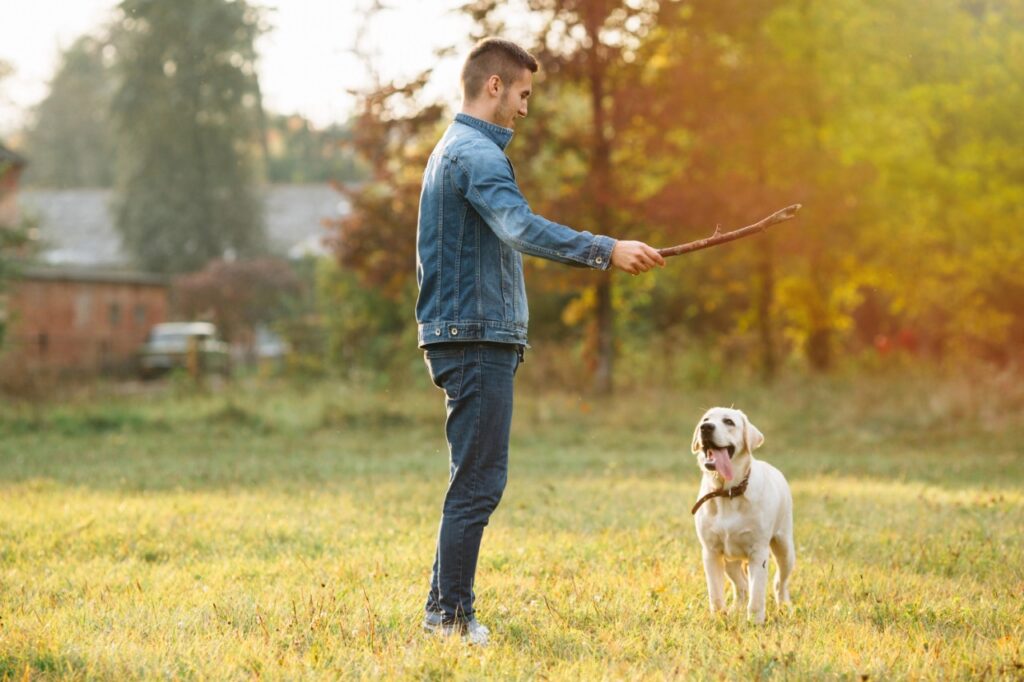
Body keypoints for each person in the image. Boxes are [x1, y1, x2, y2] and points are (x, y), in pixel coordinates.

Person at [415, 37, 664, 645]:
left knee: (470, 479)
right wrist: (606, 249)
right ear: (494, 86)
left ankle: (441, 609)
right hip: (475, 338)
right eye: (523, 94)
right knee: (479, 482)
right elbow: (520, 228)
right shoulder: (475, 153)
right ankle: (450, 618)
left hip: (470, 335)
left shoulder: (458, 150)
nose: (526, 108)